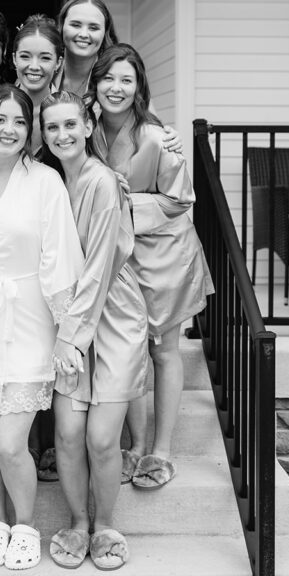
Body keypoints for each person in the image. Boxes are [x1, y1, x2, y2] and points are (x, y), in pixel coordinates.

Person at [0, 85, 83, 570]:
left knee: (9, 440)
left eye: (20, 122)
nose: (9, 129)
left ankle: (25, 524)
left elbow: (60, 254)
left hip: (29, 314)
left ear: (30, 131)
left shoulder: (45, 181)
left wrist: (68, 330)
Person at [90, 43, 214, 489]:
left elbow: (179, 199)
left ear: (139, 86)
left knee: (163, 350)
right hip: (118, 257)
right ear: (95, 83)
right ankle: (135, 445)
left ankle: (161, 450)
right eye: (108, 78)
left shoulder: (159, 137)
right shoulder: (88, 130)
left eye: (127, 79)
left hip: (163, 255)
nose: (116, 88)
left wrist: (123, 204)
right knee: (128, 350)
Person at [40, 90, 149, 571]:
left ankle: (106, 523)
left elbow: (101, 266)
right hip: (68, 315)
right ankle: (78, 521)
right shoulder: (49, 184)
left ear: (88, 126)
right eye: (52, 127)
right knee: (66, 433)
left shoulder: (103, 183)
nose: (62, 134)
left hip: (112, 314)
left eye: (70, 124)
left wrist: (70, 337)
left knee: (103, 438)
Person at [11, 14, 64, 157]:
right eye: (25, 56)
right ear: (14, 58)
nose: (34, 66)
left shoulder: (71, 110)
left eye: (45, 58)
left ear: (58, 63)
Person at [57, 0, 118, 96]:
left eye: (93, 28)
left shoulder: (119, 76)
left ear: (105, 33)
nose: (83, 34)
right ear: (62, 26)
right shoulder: (46, 70)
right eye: (75, 25)